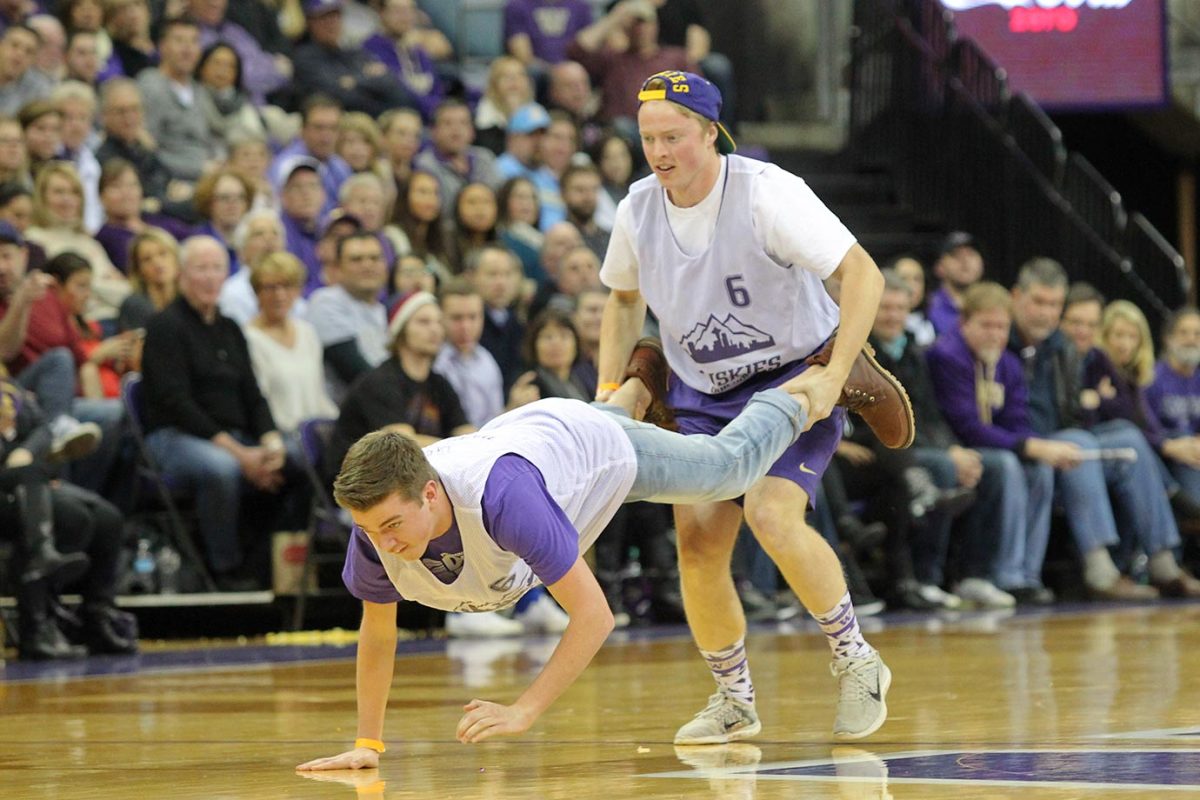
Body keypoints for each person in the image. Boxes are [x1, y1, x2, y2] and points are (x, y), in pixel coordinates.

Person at [295, 343, 815, 767]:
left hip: (595, 448)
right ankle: (641, 377)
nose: (383, 544)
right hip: (537, 438)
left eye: (390, 526)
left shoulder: (502, 500)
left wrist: (524, 710)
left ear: (430, 494)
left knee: (724, 471)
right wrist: (368, 744)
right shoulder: (376, 526)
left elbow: (595, 617)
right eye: (370, 530)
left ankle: (807, 387)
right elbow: (379, 633)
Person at [595, 70, 910, 744]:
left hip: (791, 375)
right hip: (700, 391)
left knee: (771, 513)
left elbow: (864, 274)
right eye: (649, 138)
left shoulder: (769, 193)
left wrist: (828, 381)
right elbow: (623, 300)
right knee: (700, 544)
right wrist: (604, 391)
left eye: (673, 136)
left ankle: (858, 659)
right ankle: (734, 699)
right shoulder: (636, 209)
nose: (659, 151)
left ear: (711, 133)